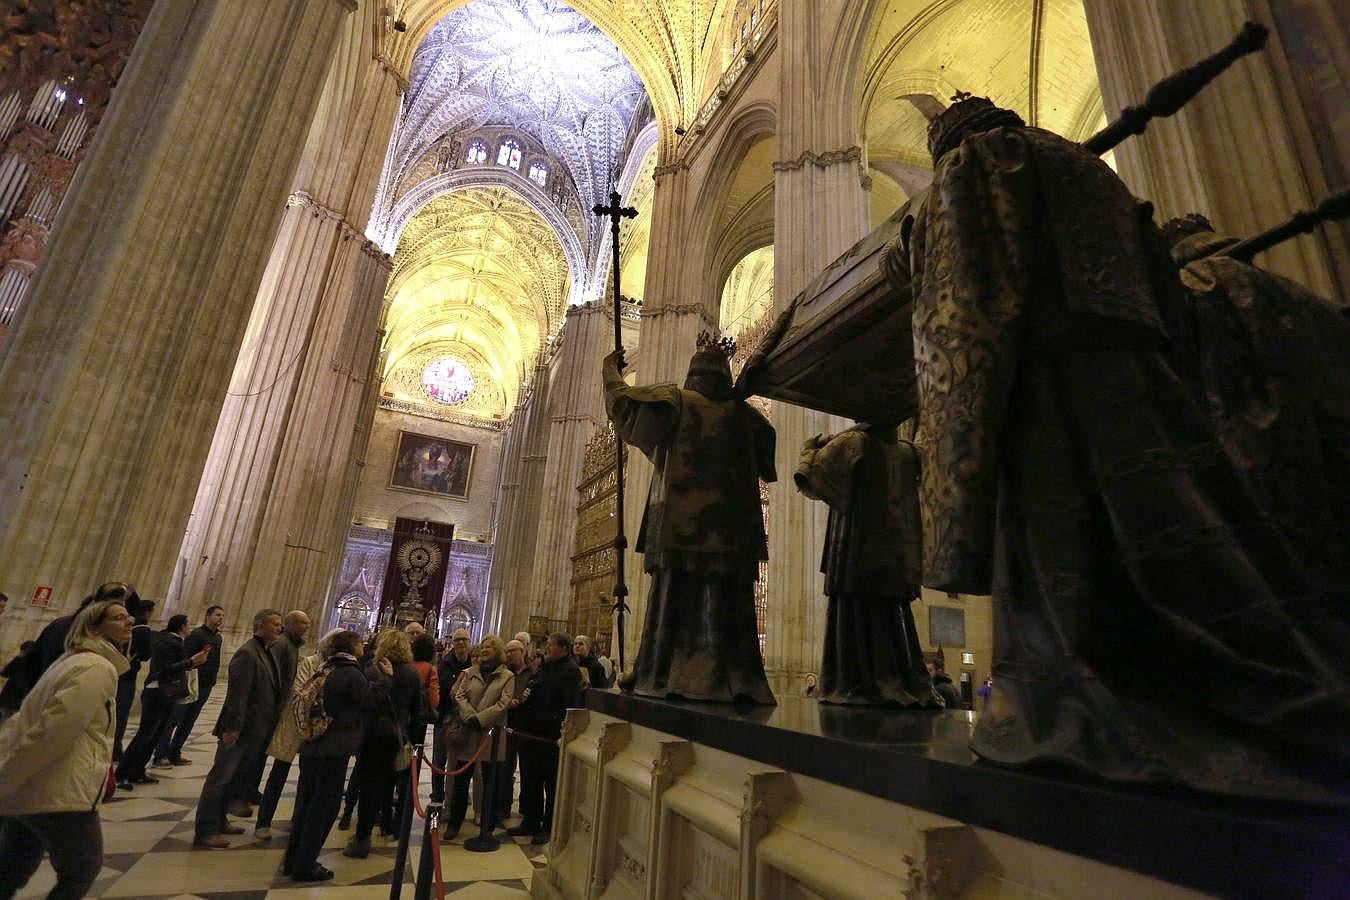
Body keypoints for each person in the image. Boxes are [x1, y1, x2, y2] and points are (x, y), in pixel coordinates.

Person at [891, 93, 1350, 796]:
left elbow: (963, 320)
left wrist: (953, 466)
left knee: (1071, 585)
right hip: (1143, 385)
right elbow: (1163, 291)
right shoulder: (1082, 164)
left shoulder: (974, 169)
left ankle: (1091, 714)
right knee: (1184, 550)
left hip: (1047, 393)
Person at [603, 334, 777, 704]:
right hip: (733, 532)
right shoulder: (746, 416)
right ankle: (735, 678)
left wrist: (611, 372)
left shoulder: (675, 402)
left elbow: (625, 407)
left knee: (672, 600)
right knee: (730, 603)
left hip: (679, 525)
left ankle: (661, 669)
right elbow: (768, 458)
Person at [795, 423, 940, 707]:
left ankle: (856, 683)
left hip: (857, 550)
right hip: (897, 555)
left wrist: (808, 449)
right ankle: (905, 681)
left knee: (854, 615)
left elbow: (810, 480)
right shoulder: (910, 452)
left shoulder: (853, 442)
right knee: (896, 616)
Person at [0, 599, 133, 900]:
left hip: (34, 784)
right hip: (60, 786)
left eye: (128, 615)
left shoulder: (71, 659)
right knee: (82, 868)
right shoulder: (96, 667)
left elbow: (26, 718)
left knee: (12, 866)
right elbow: (54, 730)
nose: (130, 620)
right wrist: (7, 778)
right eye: (119, 617)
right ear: (94, 627)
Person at [282, 631, 392, 883]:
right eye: (360, 643)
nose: (363, 645)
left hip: (312, 745)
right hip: (332, 747)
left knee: (306, 805)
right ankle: (305, 865)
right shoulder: (350, 673)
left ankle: (293, 859)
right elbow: (369, 700)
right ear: (353, 647)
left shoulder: (326, 666)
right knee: (324, 807)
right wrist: (386, 679)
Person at [194, 608, 284, 849]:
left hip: (255, 728)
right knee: (220, 778)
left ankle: (220, 819)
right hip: (239, 728)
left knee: (233, 777)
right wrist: (232, 727)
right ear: (260, 625)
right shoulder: (247, 653)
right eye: (275, 624)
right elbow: (238, 695)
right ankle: (206, 829)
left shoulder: (265, 651)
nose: (279, 628)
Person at [256, 625, 340, 840]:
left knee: (307, 777)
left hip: (318, 730)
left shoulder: (338, 667)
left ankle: (298, 819)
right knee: (279, 773)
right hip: (296, 724)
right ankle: (263, 821)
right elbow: (299, 691)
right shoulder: (311, 662)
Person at [342, 630, 419, 859]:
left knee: (369, 787)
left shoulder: (373, 670)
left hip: (373, 734)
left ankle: (362, 839)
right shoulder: (412, 674)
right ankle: (388, 825)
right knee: (389, 783)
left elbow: (365, 703)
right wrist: (411, 738)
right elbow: (417, 710)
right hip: (397, 735)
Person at [116, 614, 211, 785]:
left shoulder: (172, 641)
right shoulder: (169, 642)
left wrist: (192, 662)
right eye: (188, 624)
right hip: (157, 693)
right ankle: (122, 773)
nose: (190, 627)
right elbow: (164, 669)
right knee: (145, 735)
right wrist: (191, 661)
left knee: (154, 734)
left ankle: (138, 771)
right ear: (182, 626)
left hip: (165, 694)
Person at [508, 632, 582, 845]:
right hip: (532, 733)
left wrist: (556, 725)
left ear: (564, 649)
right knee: (531, 780)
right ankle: (530, 821)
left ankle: (548, 827)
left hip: (550, 737)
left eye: (551, 645)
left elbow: (571, 704)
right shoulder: (545, 666)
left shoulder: (570, 671)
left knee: (551, 785)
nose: (547, 648)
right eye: (547, 644)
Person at [237, 610, 310, 818]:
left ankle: (249, 790)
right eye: (303, 624)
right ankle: (239, 794)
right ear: (292, 624)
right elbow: (269, 677)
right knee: (251, 754)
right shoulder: (281, 645)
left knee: (260, 753)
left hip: (274, 708)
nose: (306, 628)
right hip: (264, 709)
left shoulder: (291, 645)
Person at [441, 635, 515, 840]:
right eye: (483, 646)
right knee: (461, 781)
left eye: (490, 647)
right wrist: (469, 716)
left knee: (490, 780)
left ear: (498, 651)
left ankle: (488, 825)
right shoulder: (469, 672)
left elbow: (503, 703)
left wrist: (481, 719)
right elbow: (459, 695)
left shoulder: (507, 676)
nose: (484, 650)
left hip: (490, 734)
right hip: (468, 731)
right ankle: (455, 823)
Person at [154, 604, 224, 767]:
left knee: (189, 721)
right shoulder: (196, 635)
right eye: (217, 615)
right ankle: (160, 754)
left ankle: (175, 752)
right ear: (208, 616)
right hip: (191, 682)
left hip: (206, 684)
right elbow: (187, 658)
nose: (220, 618)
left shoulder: (218, 637)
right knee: (175, 719)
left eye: (222, 616)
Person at [429, 627, 474, 804]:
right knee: (439, 760)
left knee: (462, 760)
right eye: (458, 640)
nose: (461, 643)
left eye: (464, 639)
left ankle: (457, 796)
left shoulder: (473, 662)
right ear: (453, 643)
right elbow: (445, 688)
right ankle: (437, 795)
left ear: (469, 643)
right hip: (444, 717)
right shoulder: (444, 663)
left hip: (464, 720)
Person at [113, 595, 156, 771]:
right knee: (121, 714)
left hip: (115, 672)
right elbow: (146, 654)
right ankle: (115, 750)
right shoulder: (143, 629)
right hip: (128, 675)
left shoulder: (129, 628)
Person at [494, 638, 530, 823]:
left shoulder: (532, 672)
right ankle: (502, 806)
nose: (508, 655)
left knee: (526, 768)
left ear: (522, 651)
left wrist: (525, 699)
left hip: (525, 726)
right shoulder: (503, 673)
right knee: (505, 767)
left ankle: (526, 806)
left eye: (512, 651)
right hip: (506, 723)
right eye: (506, 652)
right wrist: (508, 702)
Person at [0, 641, 36, 723]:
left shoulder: (18, 661)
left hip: (8, 697)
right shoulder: (36, 665)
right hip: (21, 700)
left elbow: (4, 673)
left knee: (2, 718)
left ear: (23, 650)